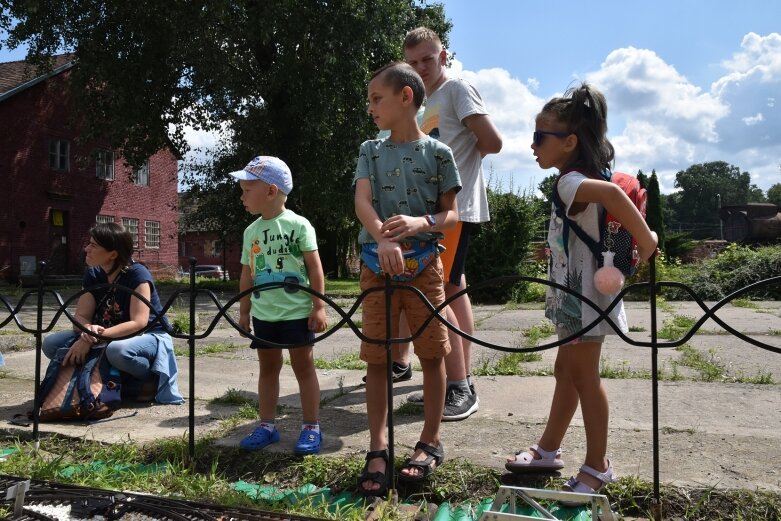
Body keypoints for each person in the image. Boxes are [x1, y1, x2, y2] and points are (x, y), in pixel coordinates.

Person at [504, 83, 657, 505]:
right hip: (578, 298)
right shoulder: (574, 179)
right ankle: (549, 448)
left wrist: (647, 241)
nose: (532, 144)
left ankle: (597, 465)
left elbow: (610, 196)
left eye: (540, 136)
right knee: (566, 373)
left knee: (584, 377)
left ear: (569, 142)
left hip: (586, 301)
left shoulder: (569, 181)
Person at [355, 62, 461, 495]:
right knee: (378, 357)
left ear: (406, 98)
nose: (370, 108)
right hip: (376, 266)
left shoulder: (439, 153)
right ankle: (378, 446)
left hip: (425, 269)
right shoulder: (370, 150)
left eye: (376, 99)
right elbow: (362, 202)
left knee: (433, 353)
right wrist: (383, 238)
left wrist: (421, 223)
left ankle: (429, 441)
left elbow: (451, 215)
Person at [399, 26, 503, 421]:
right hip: (433, 214)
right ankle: (452, 381)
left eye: (428, 58)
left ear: (444, 56)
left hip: (454, 210)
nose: (421, 67)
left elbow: (491, 142)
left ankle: (460, 387)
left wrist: (456, 172)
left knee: (440, 291)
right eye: (412, 63)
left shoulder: (457, 90)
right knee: (453, 288)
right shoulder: (421, 101)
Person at [231, 155, 327, 455]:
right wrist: (244, 310)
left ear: (271, 191)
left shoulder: (298, 225)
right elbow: (247, 273)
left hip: (297, 313)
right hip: (264, 314)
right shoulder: (251, 231)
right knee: (268, 368)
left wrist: (318, 306)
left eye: (248, 190)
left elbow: (314, 268)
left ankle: (311, 427)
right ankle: (267, 426)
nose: (242, 196)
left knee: (304, 366)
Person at [41, 222, 183, 405]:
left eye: (93, 245)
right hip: (100, 335)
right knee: (51, 343)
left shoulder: (137, 274)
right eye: (89, 244)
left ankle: (149, 380)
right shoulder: (93, 274)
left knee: (117, 351)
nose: (86, 249)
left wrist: (94, 338)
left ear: (113, 254)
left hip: (146, 336)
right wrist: (87, 332)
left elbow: (138, 323)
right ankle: (98, 381)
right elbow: (81, 315)